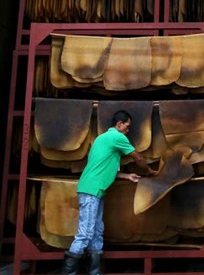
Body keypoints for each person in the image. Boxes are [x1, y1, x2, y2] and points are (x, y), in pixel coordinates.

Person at [64, 110, 156, 275]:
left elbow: (102, 167)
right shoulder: (117, 137)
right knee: (85, 234)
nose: (128, 130)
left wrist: (127, 175)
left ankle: (95, 272)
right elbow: (138, 158)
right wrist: (149, 171)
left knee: (97, 232)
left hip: (93, 190)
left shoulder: (101, 139)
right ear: (119, 124)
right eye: (127, 126)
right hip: (91, 190)